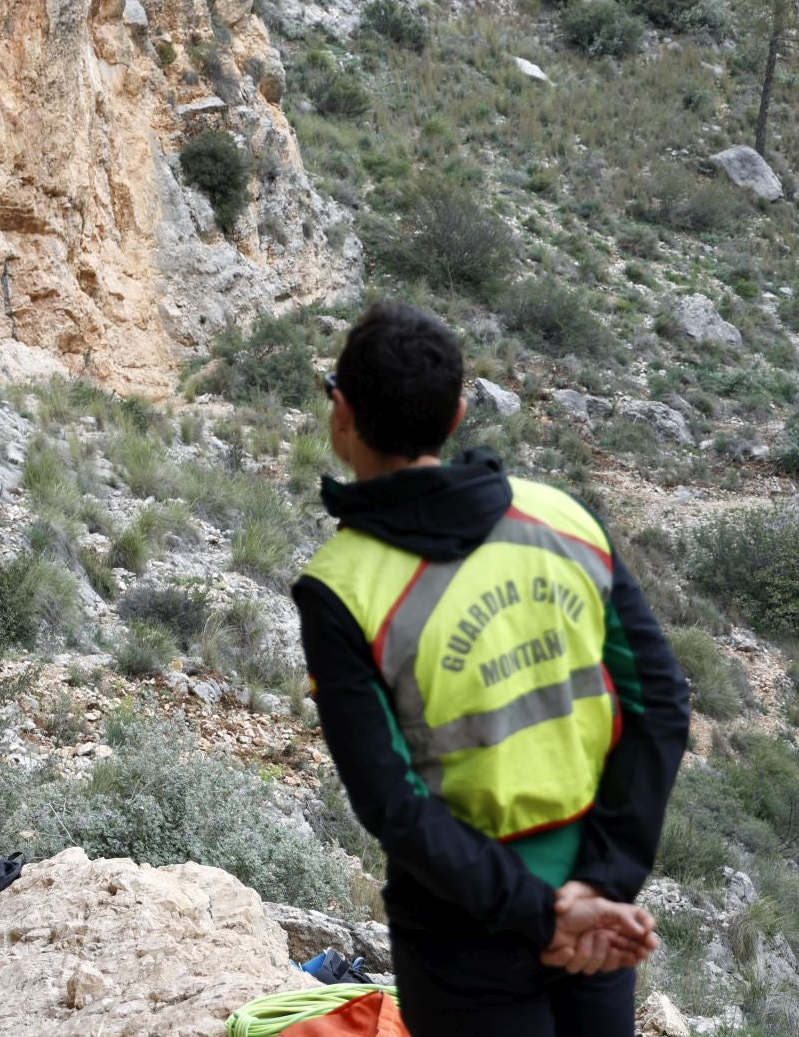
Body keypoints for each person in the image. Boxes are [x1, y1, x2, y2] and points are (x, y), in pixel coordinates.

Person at [295, 301, 690, 1036]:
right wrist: (598, 888)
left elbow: (391, 802)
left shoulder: (340, 586)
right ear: (459, 414)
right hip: (593, 906)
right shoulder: (563, 519)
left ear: (342, 413)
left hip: (461, 928)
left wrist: (543, 915)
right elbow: (661, 703)